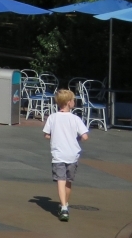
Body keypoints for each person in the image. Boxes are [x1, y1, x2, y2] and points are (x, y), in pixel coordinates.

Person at [43, 88, 89, 222]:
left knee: (60, 181)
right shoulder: (75, 119)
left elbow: (46, 135)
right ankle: (64, 205)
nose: (74, 102)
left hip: (58, 154)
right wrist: (77, 139)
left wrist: (53, 136)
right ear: (69, 102)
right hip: (72, 154)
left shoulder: (52, 117)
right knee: (68, 182)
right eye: (73, 100)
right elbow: (85, 136)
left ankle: (63, 206)